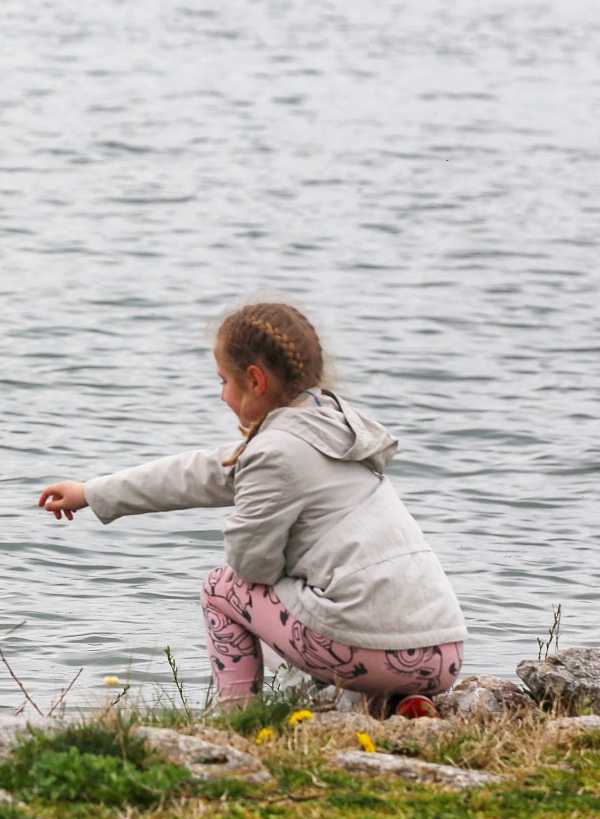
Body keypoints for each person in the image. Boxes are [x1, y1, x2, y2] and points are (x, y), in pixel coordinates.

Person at [38, 301, 467, 713]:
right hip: (442, 653)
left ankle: (237, 715)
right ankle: (391, 705)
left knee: (224, 589)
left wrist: (281, 566)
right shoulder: (335, 432)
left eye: (223, 381)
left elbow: (251, 565)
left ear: (256, 381)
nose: (222, 394)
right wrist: (92, 492)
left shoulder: (275, 452)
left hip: (369, 654)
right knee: (311, 598)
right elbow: (201, 472)